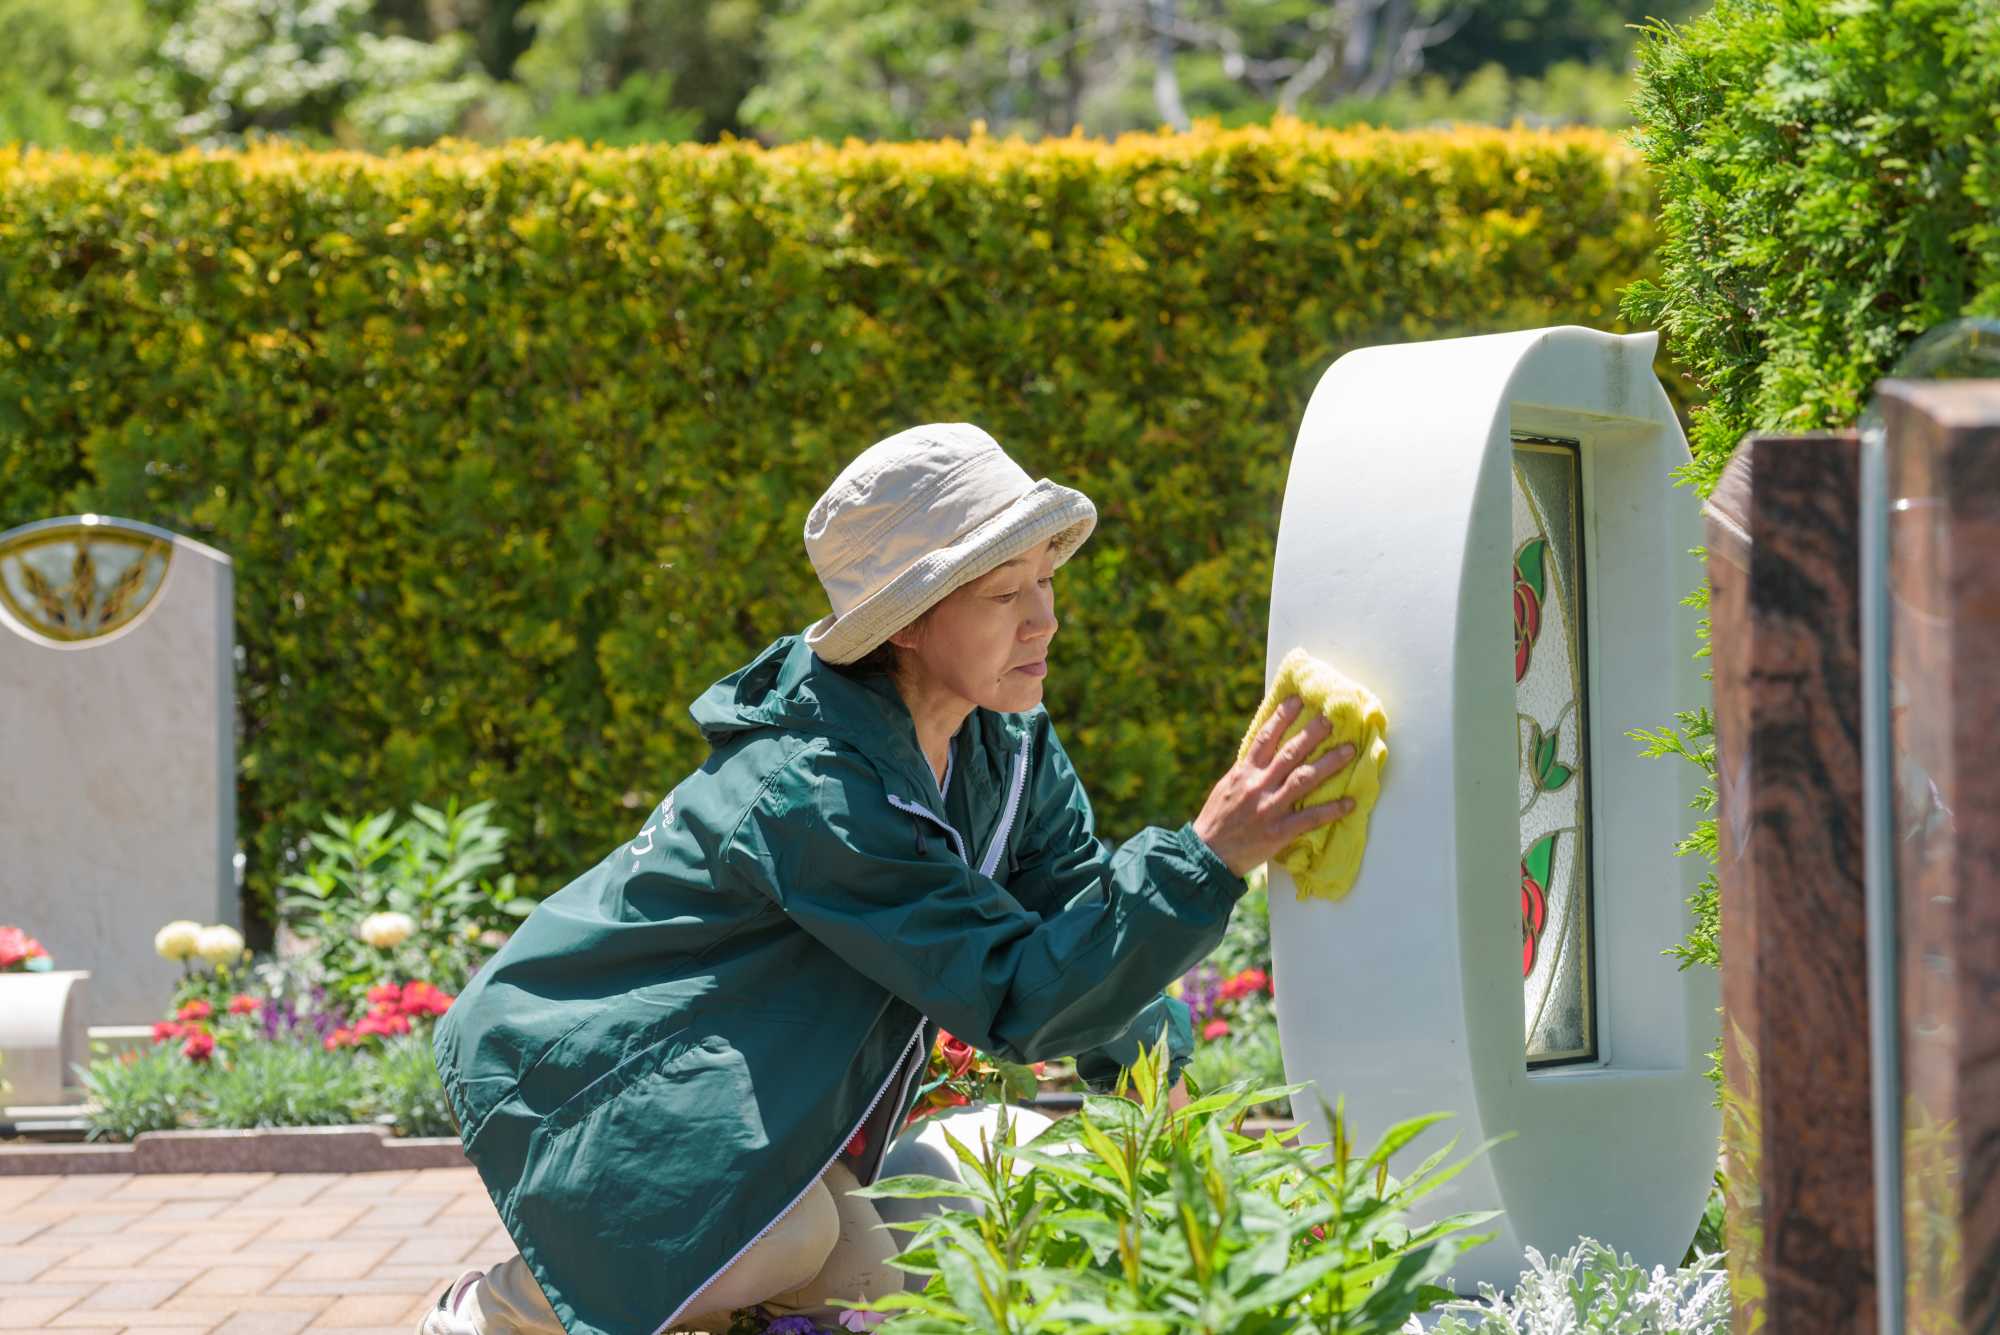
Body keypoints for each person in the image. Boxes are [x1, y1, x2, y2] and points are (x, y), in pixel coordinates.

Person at [418, 422, 1360, 1335]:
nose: (1047, 617)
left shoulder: (1005, 741)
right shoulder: (813, 792)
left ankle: (687, 1287)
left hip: (718, 1093)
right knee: (781, 1244)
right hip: (591, 1082)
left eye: (1046, 579)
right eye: (1004, 594)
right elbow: (1009, 994)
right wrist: (1208, 856)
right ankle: (494, 1313)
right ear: (907, 623)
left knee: (882, 1269)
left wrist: (1164, 1118)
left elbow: (1077, 907)